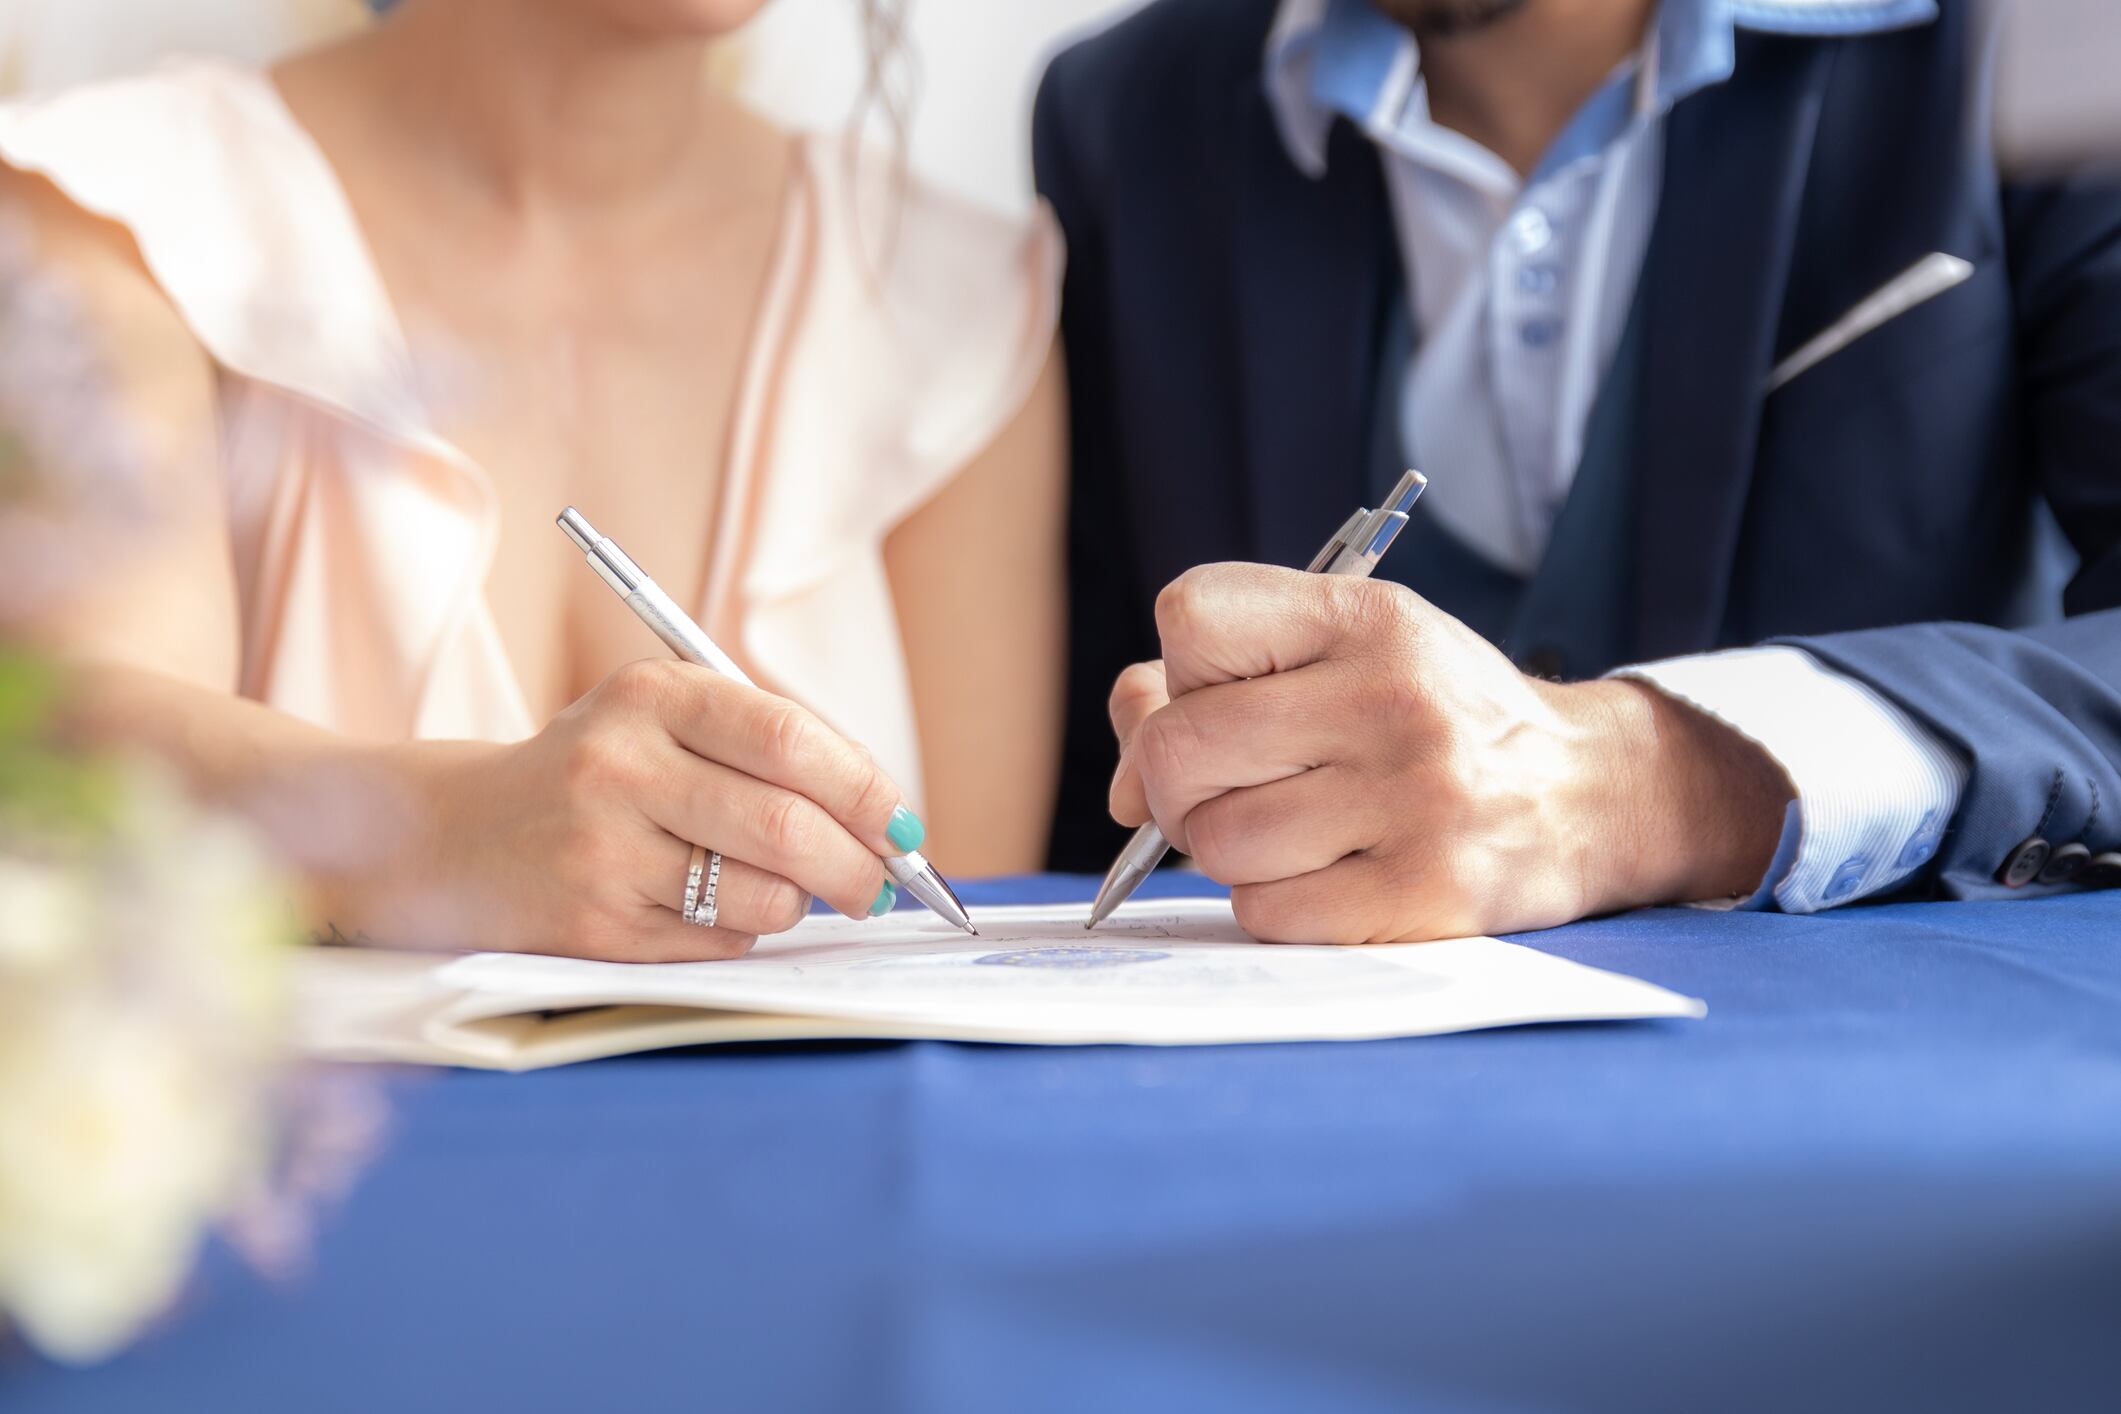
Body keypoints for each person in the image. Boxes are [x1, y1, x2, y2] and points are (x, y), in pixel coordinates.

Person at [0, 0, 1066, 959]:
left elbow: (958, 965)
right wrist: (442, 833)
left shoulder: (951, 308)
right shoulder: (108, 213)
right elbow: (61, 754)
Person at [1037, 0, 2121, 942]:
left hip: (1884, 1092)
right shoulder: (1125, 115)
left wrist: (1654, 782)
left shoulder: (2042, 37)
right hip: (1322, 1110)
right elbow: (1089, 788)